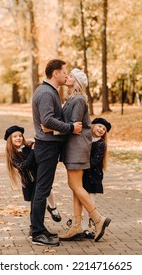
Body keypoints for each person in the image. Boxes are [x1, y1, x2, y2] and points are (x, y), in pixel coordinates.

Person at [56, 68, 111, 242]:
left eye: (71, 76)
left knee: (75, 185)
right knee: (76, 188)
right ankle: (76, 226)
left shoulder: (79, 99)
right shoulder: (72, 98)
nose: (67, 77)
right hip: (73, 147)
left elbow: (74, 125)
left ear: (77, 82)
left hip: (77, 148)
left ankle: (98, 219)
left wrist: (52, 130)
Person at [31, 59, 82, 246]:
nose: (66, 75)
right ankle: (37, 233)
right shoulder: (46, 92)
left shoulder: (48, 91)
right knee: (42, 189)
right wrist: (70, 127)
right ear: (55, 73)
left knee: (41, 188)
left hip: (47, 145)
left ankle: (37, 228)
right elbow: (47, 120)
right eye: (64, 72)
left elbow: (48, 123)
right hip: (47, 147)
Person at [4, 125, 62, 238]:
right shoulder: (12, 155)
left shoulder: (28, 147)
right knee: (35, 205)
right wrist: (32, 151)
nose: (18, 138)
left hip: (39, 178)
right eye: (15, 136)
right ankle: (35, 228)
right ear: (10, 140)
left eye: (20, 136)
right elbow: (24, 165)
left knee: (41, 201)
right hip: (29, 183)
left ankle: (40, 225)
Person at [81, 117, 111, 238]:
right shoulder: (86, 139)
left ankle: (87, 227)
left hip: (94, 177)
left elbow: (94, 161)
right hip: (84, 175)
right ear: (92, 126)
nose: (101, 129)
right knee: (83, 201)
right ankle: (85, 224)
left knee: (90, 203)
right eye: (99, 126)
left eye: (104, 129)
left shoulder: (101, 144)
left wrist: (80, 164)